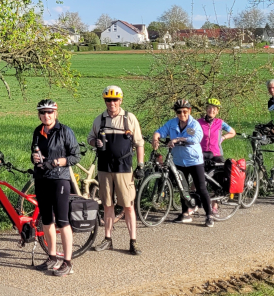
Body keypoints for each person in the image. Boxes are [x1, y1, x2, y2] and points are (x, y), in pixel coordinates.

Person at [86, 85, 143, 255]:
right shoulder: (100, 120)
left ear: (120, 100)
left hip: (124, 168)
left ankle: (133, 241)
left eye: (115, 100)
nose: (112, 103)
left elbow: (139, 143)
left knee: (128, 206)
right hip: (104, 168)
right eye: (108, 100)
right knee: (107, 205)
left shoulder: (129, 119)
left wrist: (140, 166)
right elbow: (90, 138)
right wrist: (94, 142)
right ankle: (107, 239)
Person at [30, 99, 81, 276]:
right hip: (41, 178)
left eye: (50, 112)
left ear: (55, 113)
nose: (46, 115)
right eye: (43, 112)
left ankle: (67, 262)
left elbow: (76, 156)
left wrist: (59, 162)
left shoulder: (65, 131)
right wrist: (34, 159)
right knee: (46, 220)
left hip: (59, 179)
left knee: (62, 221)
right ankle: (52, 257)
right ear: (39, 115)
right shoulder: (38, 131)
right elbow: (34, 152)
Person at [153, 99, 215, 227]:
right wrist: (156, 137)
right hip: (178, 160)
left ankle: (209, 215)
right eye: (179, 112)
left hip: (194, 160)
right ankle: (185, 213)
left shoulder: (193, 125)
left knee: (201, 188)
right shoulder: (172, 124)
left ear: (189, 111)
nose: (182, 114)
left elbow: (196, 138)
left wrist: (178, 139)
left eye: (185, 111)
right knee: (183, 188)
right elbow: (161, 131)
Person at [197, 98, 236, 190]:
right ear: (206, 109)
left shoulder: (220, 123)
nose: (212, 110)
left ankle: (215, 202)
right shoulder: (198, 122)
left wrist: (223, 137)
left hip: (216, 154)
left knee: (219, 181)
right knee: (198, 178)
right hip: (201, 153)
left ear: (217, 111)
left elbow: (233, 132)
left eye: (214, 109)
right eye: (210, 108)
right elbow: (190, 132)